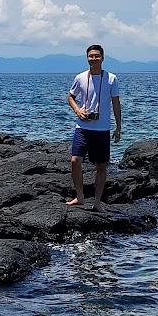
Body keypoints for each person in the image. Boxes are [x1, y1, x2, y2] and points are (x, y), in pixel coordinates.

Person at [65, 43, 121, 209]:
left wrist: (118, 127)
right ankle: (80, 197)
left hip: (102, 129)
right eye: (91, 56)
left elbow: (116, 104)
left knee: (101, 166)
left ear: (102, 58)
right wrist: (77, 110)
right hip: (83, 127)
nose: (94, 59)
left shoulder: (111, 78)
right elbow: (70, 97)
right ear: (87, 58)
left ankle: (97, 202)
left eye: (97, 56)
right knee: (75, 160)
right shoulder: (81, 77)